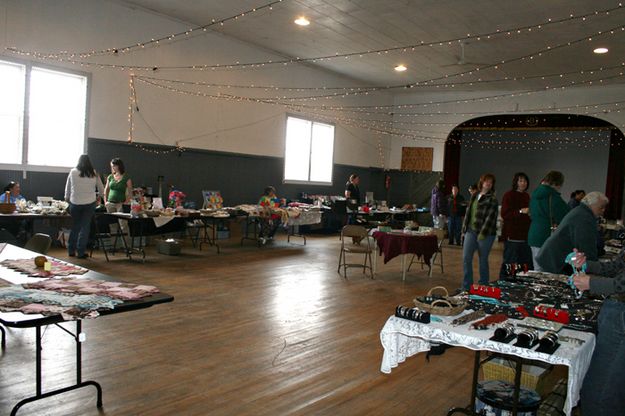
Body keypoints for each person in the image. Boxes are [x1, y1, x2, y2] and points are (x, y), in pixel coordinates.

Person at [570, 248, 625, 416]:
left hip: (620, 319)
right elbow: (617, 266)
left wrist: (592, 283)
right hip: (615, 312)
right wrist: (587, 265)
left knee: (600, 395)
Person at [536, 192, 608, 273]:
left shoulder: (581, 211)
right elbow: (586, 246)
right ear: (591, 205)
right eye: (601, 207)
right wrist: (594, 267)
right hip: (554, 262)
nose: (603, 211)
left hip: (552, 259)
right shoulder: (584, 217)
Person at [461, 173, 498, 290]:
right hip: (471, 231)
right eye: (487, 181)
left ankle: (483, 285)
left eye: (491, 182)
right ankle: (467, 286)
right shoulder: (474, 195)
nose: (488, 183)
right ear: (482, 182)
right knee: (466, 258)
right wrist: (464, 229)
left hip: (486, 233)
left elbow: (490, 218)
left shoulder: (492, 199)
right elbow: (468, 213)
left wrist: (482, 234)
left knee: (483, 259)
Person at [527, 171, 569, 270]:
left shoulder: (534, 195)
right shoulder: (554, 197)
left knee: (537, 268)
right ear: (556, 184)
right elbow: (566, 217)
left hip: (533, 234)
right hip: (547, 235)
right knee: (547, 270)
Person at [64, 154, 104, 258]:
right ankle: (81, 252)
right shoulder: (94, 173)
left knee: (75, 227)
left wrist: (67, 198)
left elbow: (68, 188)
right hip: (89, 203)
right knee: (85, 228)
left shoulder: (73, 172)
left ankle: (71, 250)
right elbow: (101, 189)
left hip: (75, 202)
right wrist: (99, 198)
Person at [499, 172, 532, 275]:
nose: (523, 183)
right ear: (516, 182)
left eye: (525, 181)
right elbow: (505, 214)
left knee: (524, 264)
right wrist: (520, 211)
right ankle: (506, 284)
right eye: (521, 181)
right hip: (512, 236)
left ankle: (520, 284)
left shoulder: (527, 196)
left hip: (525, 236)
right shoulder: (508, 195)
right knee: (510, 263)